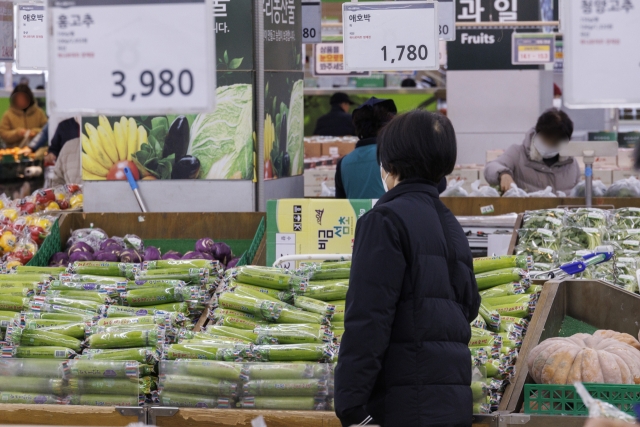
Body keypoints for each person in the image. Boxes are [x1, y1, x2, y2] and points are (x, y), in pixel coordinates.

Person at [335, 110, 481, 427]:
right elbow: (469, 306)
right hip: (451, 403)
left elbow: (368, 318)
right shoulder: (450, 223)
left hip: (402, 406)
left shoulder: (384, 220)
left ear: (389, 162)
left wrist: (350, 403)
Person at [484, 108, 579, 194]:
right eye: (546, 139)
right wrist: (503, 174)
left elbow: (577, 194)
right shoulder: (517, 153)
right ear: (536, 134)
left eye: (554, 142)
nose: (549, 144)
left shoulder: (571, 164)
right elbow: (491, 167)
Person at [335, 97, 397, 199]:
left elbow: (341, 204)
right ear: (386, 127)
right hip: (388, 214)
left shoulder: (343, 163)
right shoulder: (393, 156)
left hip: (356, 215)